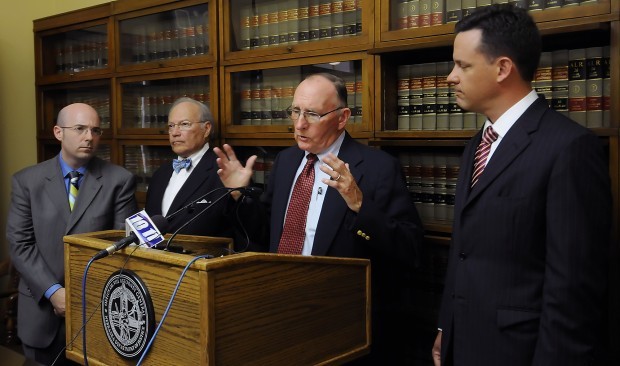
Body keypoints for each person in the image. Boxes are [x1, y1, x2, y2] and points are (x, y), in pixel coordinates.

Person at [432, 4, 611, 366]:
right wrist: (445, 327)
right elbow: (464, 251)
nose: (450, 77)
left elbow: (573, 291)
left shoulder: (569, 149)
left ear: (502, 68)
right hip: (463, 343)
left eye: (462, 65)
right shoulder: (477, 144)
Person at [214, 72, 424, 363]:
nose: (299, 124)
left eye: (312, 114)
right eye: (295, 111)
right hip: (276, 310)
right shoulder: (286, 161)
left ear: (342, 117)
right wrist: (239, 194)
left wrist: (360, 205)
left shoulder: (378, 168)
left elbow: (410, 248)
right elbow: (262, 235)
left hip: (337, 322)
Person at [6, 103, 138, 365]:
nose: (89, 137)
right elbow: (20, 244)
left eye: (96, 130)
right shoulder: (26, 181)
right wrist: (54, 292)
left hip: (95, 311)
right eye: (80, 129)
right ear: (58, 132)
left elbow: (122, 247)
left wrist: (83, 295)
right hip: (40, 310)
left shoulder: (119, 180)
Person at [145, 97, 253, 251]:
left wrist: (240, 196)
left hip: (203, 267)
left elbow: (251, 232)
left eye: (184, 124)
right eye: (171, 126)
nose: (175, 133)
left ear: (206, 129)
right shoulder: (160, 174)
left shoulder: (226, 171)